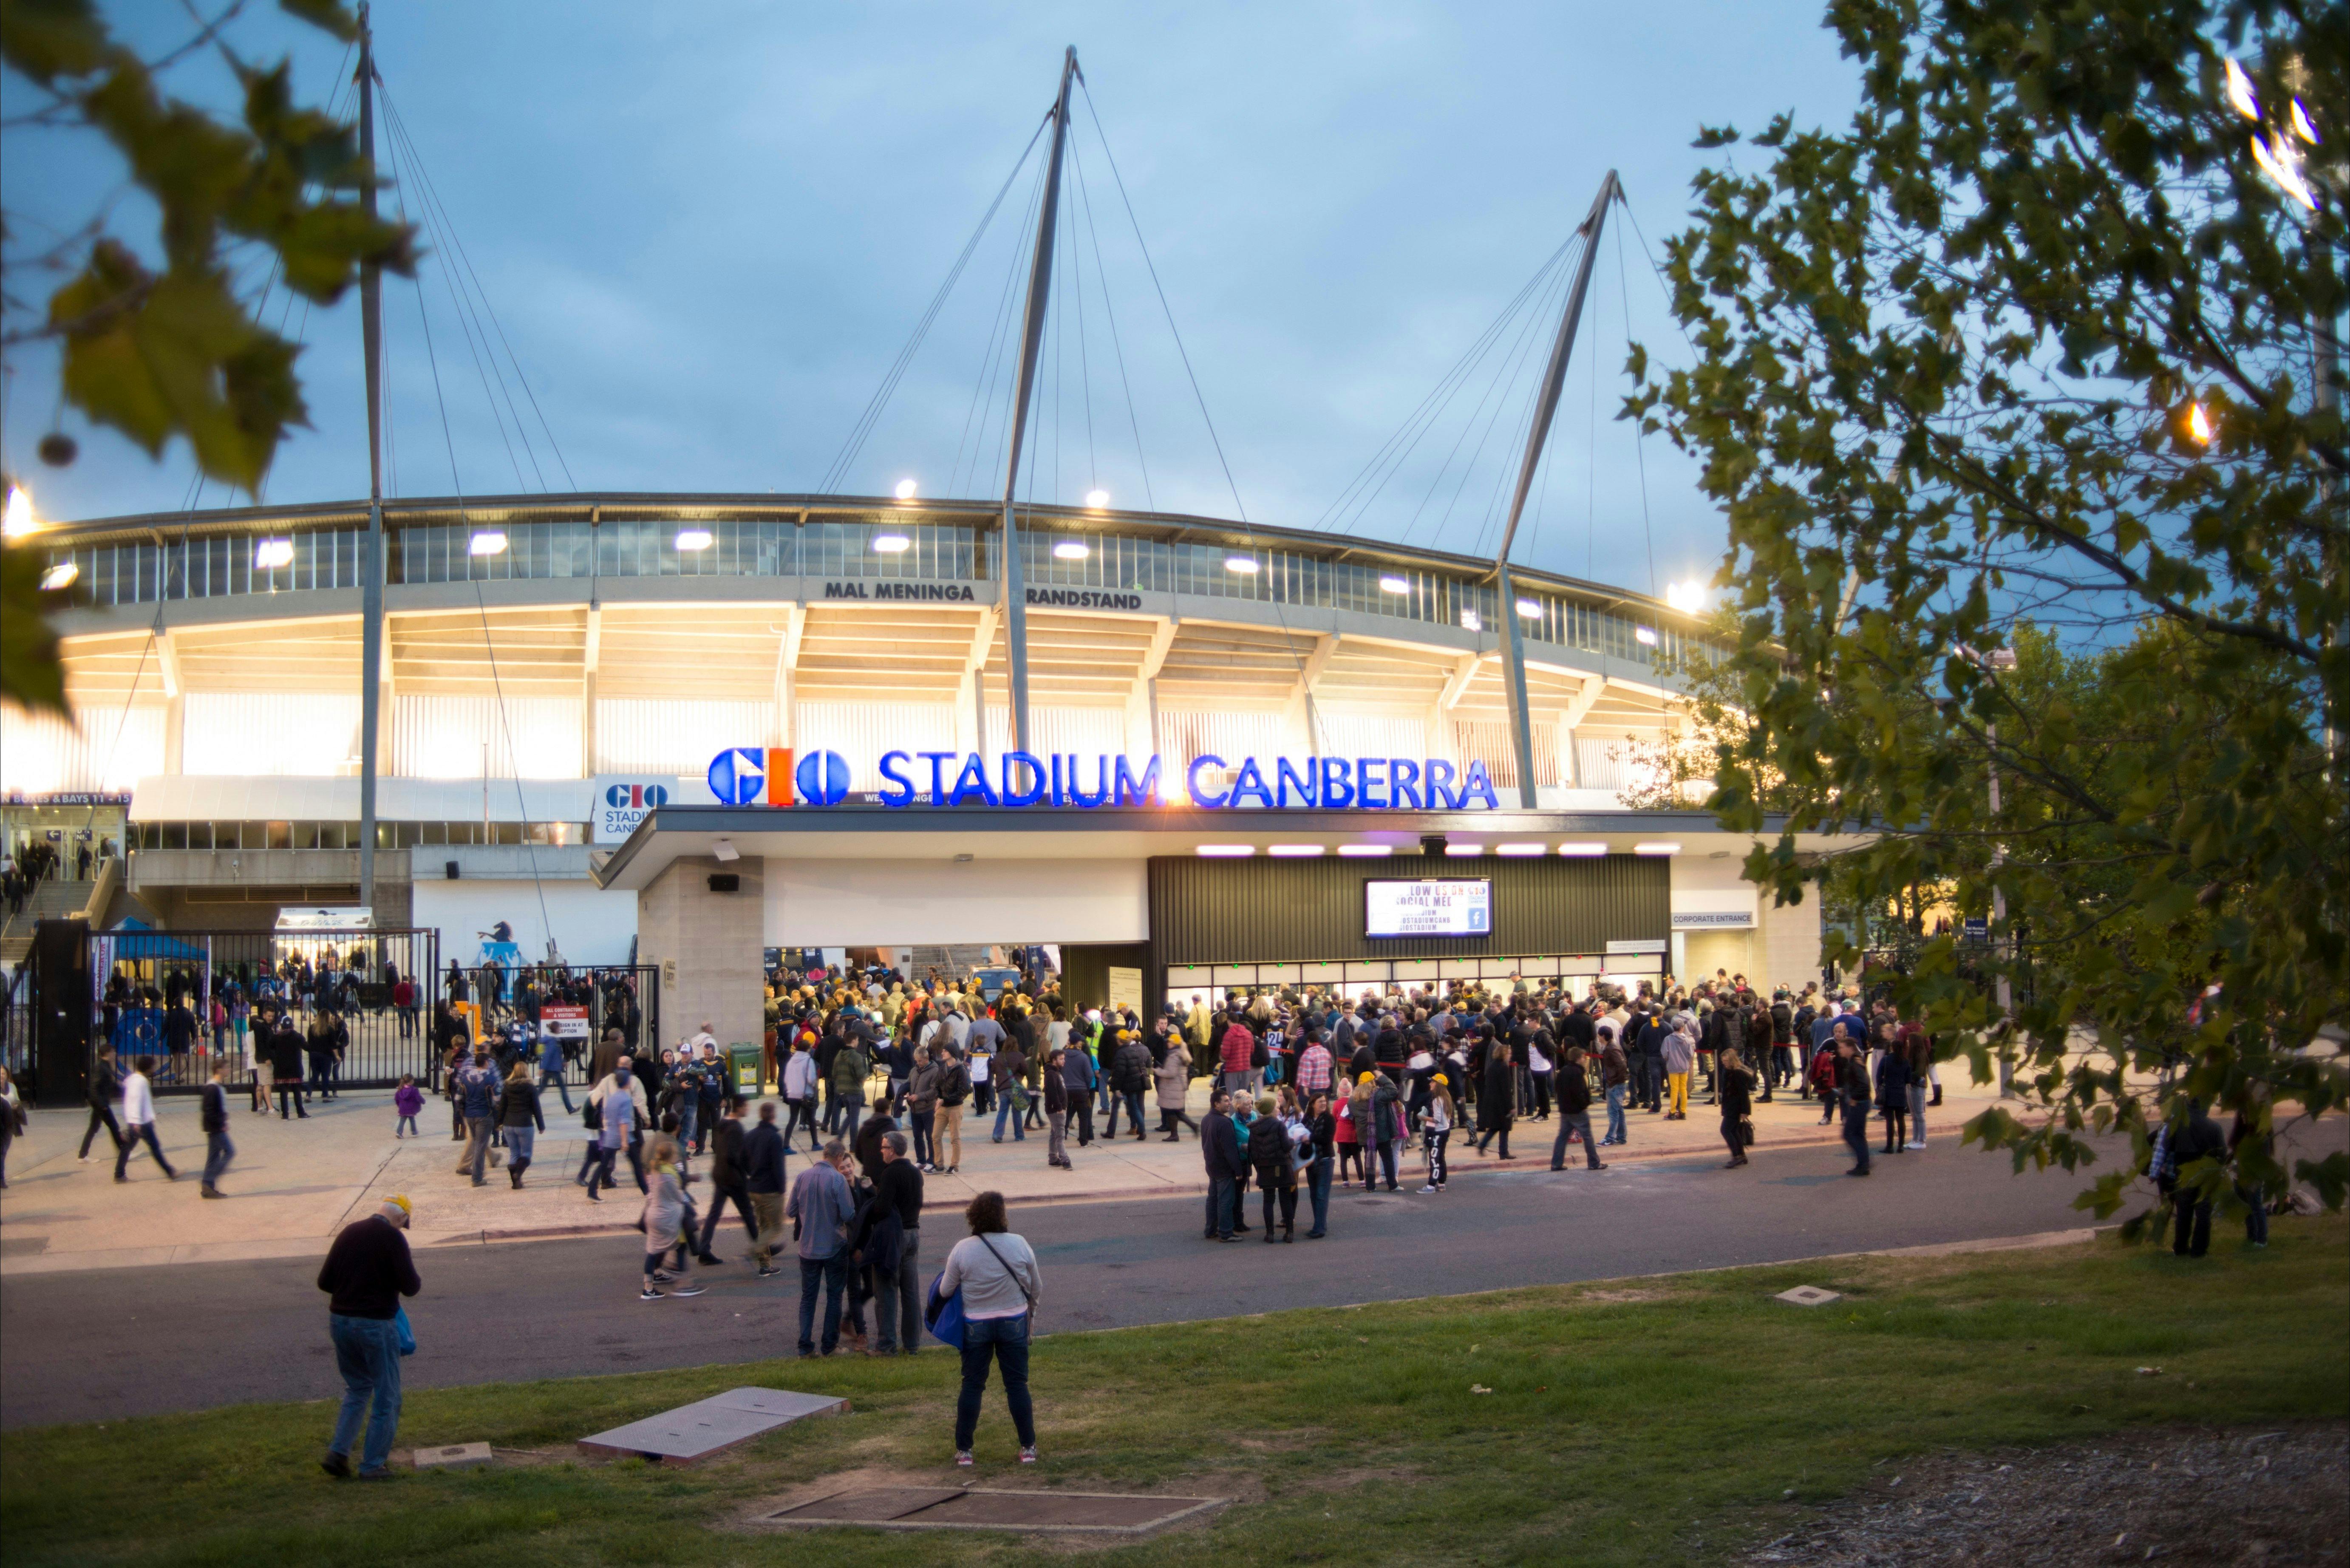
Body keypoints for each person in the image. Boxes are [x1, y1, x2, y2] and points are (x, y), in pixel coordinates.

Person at [317, 1195, 421, 1479]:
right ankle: (373, 1465)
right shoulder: (393, 1239)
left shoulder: (349, 1231)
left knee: (359, 1387)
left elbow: (324, 1282)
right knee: (387, 1396)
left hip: (340, 1321)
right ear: (401, 1218)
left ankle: (338, 1454)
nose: (402, 1229)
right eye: (404, 1225)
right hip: (376, 1325)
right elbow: (411, 1286)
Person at [941, 1190, 1042, 1466]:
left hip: (976, 1324)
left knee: (972, 1385)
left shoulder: (963, 1249)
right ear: (1002, 1215)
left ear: (973, 1216)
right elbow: (1036, 1287)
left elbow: (945, 1289)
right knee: (1017, 1386)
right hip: (1014, 1321)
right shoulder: (1020, 1244)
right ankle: (1028, 1448)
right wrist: (1031, 1312)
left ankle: (965, 1451)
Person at [857, 1130, 923, 1355]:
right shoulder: (916, 1172)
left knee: (886, 1292)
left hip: (895, 1237)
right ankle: (912, 1344)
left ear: (892, 1150)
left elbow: (883, 1209)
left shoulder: (891, 1173)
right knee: (911, 1292)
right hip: (913, 1233)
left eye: (884, 1148)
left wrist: (870, 1211)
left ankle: (886, 1345)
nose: (881, 1151)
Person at [787, 1138, 855, 1356]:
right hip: (834, 1245)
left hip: (808, 1247)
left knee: (809, 1297)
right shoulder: (837, 1180)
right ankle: (829, 1345)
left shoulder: (802, 1177)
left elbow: (791, 1210)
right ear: (837, 1158)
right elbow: (848, 1214)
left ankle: (805, 1347)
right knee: (834, 1296)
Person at [638, 1135, 706, 1300]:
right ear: (670, 1157)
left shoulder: (654, 1170)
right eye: (675, 1154)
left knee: (653, 1251)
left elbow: (651, 1194)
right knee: (681, 1247)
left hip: (653, 1215)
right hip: (668, 1218)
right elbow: (679, 1197)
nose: (678, 1157)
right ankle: (683, 1286)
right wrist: (690, 1202)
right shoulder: (669, 1175)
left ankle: (648, 1289)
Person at [695, 1096, 753, 1265]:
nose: (748, 1110)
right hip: (733, 1178)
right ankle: (763, 1248)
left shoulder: (723, 1123)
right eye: (747, 1106)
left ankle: (704, 1250)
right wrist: (749, 1171)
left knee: (714, 1214)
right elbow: (733, 1156)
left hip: (720, 1174)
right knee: (748, 1212)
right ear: (741, 1108)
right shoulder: (736, 1128)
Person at [586, 1058, 649, 1202]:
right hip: (623, 1135)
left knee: (604, 1164)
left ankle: (592, 1190)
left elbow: (601, 1107)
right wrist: (625, 1141)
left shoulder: (612, 1097)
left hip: (609, 1132)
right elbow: (624, 1121)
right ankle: (647, 1192)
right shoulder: (625, 1099)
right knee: (637, 1164)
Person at [741, 1099, 790, 1275]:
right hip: (770, 1190)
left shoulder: (750, 1135)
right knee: (775, 1227)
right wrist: (782, 1188)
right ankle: (753, 1252)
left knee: (763, 1226)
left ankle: (765, 1265)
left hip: (754, 1187)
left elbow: (743, 1161)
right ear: (774, 1116)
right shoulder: (774, 1137)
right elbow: (778, 1165)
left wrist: (752, 1173)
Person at [113, 1056, 177, 1182]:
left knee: (128, 1147)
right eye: (153, 1066)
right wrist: (137, 1121)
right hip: (142, 1122)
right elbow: (136, 1101)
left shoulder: (132, 1079)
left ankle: (119, 1174)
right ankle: (170, 1172)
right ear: (148, 1068)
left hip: (137, 1121)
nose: (155, 1069)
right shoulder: (141, 1082)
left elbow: (130, 1101)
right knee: (154, 1147)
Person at [1247, 1093, 1299, 1241]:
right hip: (1282, 1165)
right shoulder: (1279, 1125)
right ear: (1271, 1110)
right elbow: (1286, 1146)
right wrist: (1293, 1140)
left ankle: (1270, 1234)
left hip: (1265, 1167)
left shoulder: (1254, 1128)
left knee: (1268, 1200)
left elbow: (1253, 1150)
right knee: (1285, 1199)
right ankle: (1290, 1233)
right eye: (1277, 1107)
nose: (1279, 1109)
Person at [1550, 1047, 1608, 1172]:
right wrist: (1584, 1104)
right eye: (1583, 1057)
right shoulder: (1577, 1073)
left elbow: (1557, 1089)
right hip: (1577, 1110)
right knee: (1587, 1136)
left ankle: (1556, 1163)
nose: (1585, 1059)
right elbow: (1579, 1092)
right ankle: (1594, 1163)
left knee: (1562, 1137)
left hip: (1565, 1109)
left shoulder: (1564, 1071)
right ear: (1578, 1059)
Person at [1200, 1088, 1247, 1242]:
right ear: (1216, 1104)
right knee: (1226, 1201)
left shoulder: (1206, 1119)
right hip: (1224, 1168)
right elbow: (1230, 1149)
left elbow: (1205, 1144)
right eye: (1226, 1101)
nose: (1229, 1104)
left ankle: (1211, 1230)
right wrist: (1238, 1170)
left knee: (1213, 1199)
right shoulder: (1225, 1122)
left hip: (1212, 1166)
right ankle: (1226, 1233)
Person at [450, 1050, 501, 1187]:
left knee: (477, 1142)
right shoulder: (490, 1080)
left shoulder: (466, 1079)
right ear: (486, 1063)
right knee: (480, 1145)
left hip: (469, 1115)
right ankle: (477, 1178)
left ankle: (481, 1165)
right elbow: (498, 1099)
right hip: (484, 1115)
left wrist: (463, 1111)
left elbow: (458, 1098)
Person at [496, 1062, 545, 1188]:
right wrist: (541, 1126)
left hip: (509, 1125)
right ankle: (518, 1172)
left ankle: (516, 1183)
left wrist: (499, 1122)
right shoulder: (530, 1087)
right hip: (524, 1124)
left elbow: (502, 1106)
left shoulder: (507, 1086)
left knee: (514, 1154)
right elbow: (536, 1108)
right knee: (527, 1155)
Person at [1835, 1036, 1873, 1177]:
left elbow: (1864, 1085)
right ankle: (1864, 1164)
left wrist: (1854, 1098)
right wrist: (1845, 1091)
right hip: (1862, 1102)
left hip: (1860, 1103)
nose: (1840, 1050)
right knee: (1859, 1134)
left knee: (1849, 1134)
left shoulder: (1855, 1062)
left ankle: (1864, 1163)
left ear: (1850, 1048)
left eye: (1842, 1047)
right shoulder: (1853, 1060)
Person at [79, 1044, 125, 1161]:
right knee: (114, 1126)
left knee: (93, 1128)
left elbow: (110, 1084)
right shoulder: (100, 1067)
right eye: (113, 1051)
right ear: (108, 1053)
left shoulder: (105, 1066)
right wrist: (102, 1105)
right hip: (101, 1103)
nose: (115, 1054)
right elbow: (94, 1088)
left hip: (100, 1102)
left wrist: (124, 1090)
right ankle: (123, 1152)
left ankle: (82, 1155)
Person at [1472, 1042, 1515, 1160]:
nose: (1510, 1055)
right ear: (1505, 1054)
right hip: (1501, 1104)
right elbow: (1506, 1089)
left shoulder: (1492, 1066)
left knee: (1495, 1128)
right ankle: (1503, 1152)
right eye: (1509, 1053)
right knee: (1504, 1128)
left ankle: (1483, 1146)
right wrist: (1511, 1106)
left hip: (1492, 1102)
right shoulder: (1504, 1068)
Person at [198, 1061, 234, 1198]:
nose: (229, 1070)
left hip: (215, 1126)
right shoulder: (212, 1087)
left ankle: (208, 1188)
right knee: (230, 1152)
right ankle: (208, 1181)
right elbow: (208, 1110)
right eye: (226, 1068)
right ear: (219, 1070)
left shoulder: (216, 1086)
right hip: (216, 1127)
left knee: (213, 1156)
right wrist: (221, 1123)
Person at [1416, 1074, 1456, 1194]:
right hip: (1445, 1131)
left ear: (1438, 1085)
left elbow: (1437, 1119)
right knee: (1441, 1158)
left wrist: (1422, 1117)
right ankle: (1441, 1183)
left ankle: (1431, 1185)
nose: (1430, 1084)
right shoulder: (1447, 1098)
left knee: (1434, 1159)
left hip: (1437, 1133)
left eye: (1433, 1082)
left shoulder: (1437, 1100)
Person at [1718, 1046, 1756, 1169]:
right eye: (1723, 1062)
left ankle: (1737, 1156)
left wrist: (1745, 1111)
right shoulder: (1729, 1071)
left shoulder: (1738, 1073)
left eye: (1727, 1062)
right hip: (1730, 1106)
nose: (1725, 1064)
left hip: (1736, 1107)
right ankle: (1741, 1155)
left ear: (1733, 1061)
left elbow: (1744, 1094)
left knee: (1726, 1130)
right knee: (1733, 1130)